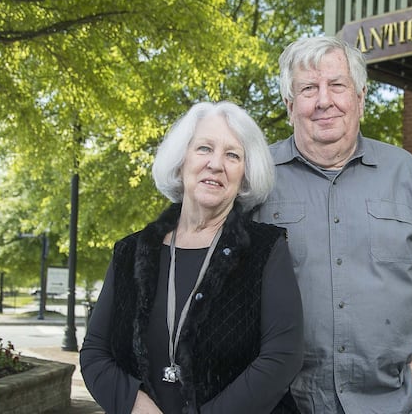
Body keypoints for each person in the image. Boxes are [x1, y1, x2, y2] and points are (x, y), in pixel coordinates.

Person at [253, 36, 412, 413]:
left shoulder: (409, 175)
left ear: (361, 97)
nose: (324, 100)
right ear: (290, 105)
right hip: (280, 403)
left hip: (390, 401)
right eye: (308, 89)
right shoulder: (255, 180)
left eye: (337, 85)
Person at [80, 101, 304, 413]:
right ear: (180, 161)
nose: (216, 164)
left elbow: (283, 355)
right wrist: (134, 404)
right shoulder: (131, 252)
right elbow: (94, 352)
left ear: (245, 175)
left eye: (232, 155)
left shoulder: (265, 248)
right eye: (204, 148)